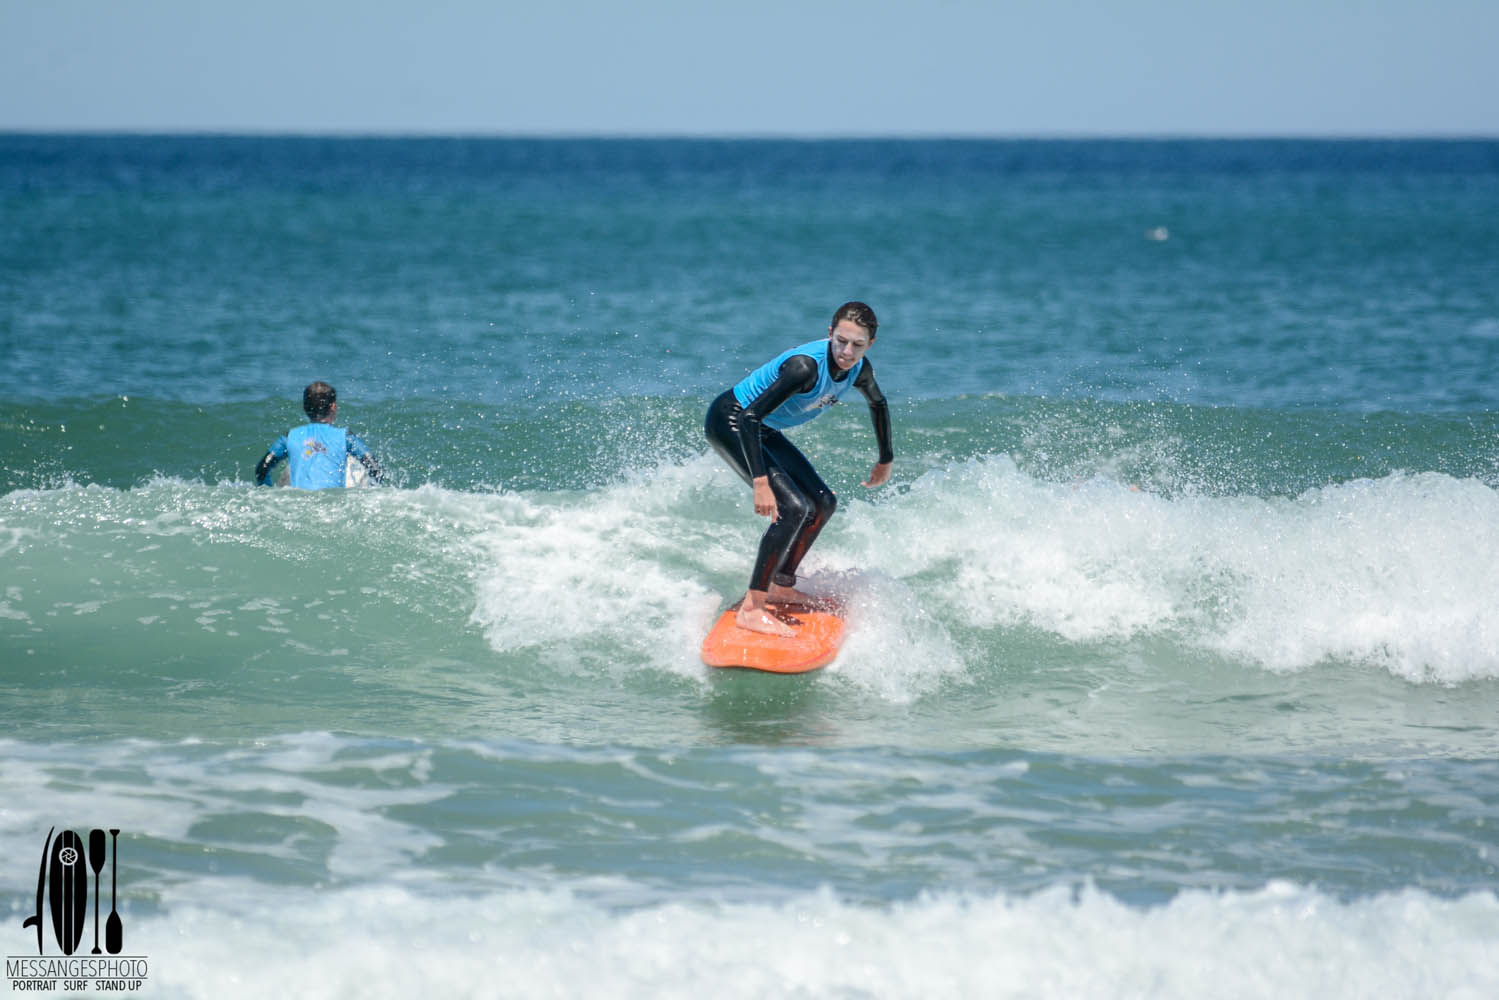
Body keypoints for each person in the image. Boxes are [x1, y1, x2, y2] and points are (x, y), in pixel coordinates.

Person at [705, 301, 894, 636]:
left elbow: (878, 403)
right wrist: (761, 482)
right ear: (829, 334)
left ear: (870, 345)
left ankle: (781, 585)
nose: (847, 352)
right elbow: (748, 417)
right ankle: (752, 609)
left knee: (823, 503)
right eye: (841, 341)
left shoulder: (859, 370)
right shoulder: (804, 368)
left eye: (857, 345)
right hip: (731, 421)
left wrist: (885, 459)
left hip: (761, 429)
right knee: (793, 508)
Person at [255, 381, 383, 489]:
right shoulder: (345, 437)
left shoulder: (289, 437)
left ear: (305, 407)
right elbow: (375, 468)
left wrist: (268, 495)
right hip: (332, 505)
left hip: (298, 502)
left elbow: (262, 469)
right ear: (333, 407)